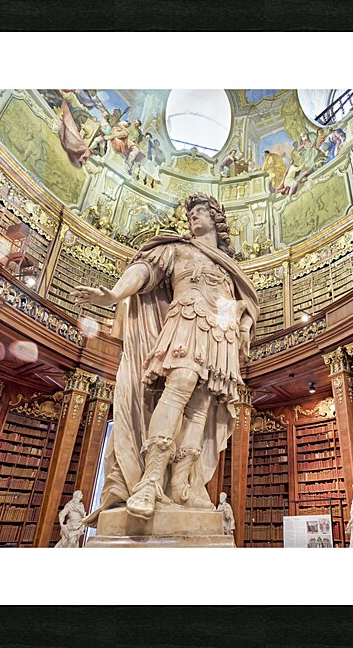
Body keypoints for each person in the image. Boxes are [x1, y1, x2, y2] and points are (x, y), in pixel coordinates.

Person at [74, 194, 259, 522]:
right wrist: (116, 293)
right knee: (180, 383)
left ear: (216, 219)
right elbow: (145, 270)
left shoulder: (231, 269)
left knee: (202, 406)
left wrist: (244, 324)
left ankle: (181, 483)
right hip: (187, 318)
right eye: (190, 215)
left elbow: (243, 302)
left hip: (221, 332)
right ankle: (150, 479)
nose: (193, 218)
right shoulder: (176, 248)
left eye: (200, 212)